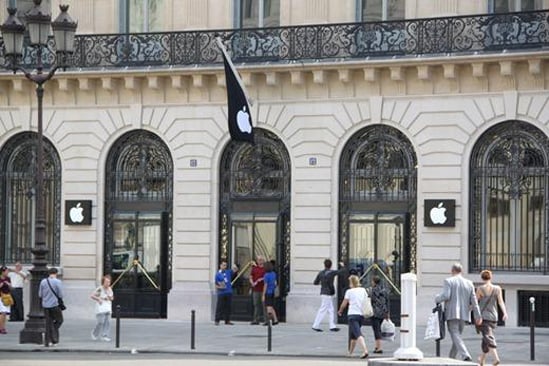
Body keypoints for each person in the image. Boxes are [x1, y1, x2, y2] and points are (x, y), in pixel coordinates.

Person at [435, 263, 482, 362]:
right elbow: (474, 301)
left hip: (452, 313)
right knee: (457, 336)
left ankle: (465, 355)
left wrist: (437, 298)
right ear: (461, 271)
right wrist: (478, 316)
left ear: (452, 271)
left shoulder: (448, 281)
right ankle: (451, 357)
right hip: (464, 314)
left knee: (455, 335)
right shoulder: (469, 283)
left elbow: (446, 296)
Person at [476, 270, 508, 366]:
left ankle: (496, 358)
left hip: (483, 317)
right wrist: (505, 313)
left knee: (488, 337)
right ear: (491, 277)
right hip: (494, 316)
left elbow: (476, 303)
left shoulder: (480, 289)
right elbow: (500, 302)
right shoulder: (497, 288)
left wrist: (467, 310)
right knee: (485, 337)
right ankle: (481, 360)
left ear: (482, 278)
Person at [337, 275, 369, 359]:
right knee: (353, 335)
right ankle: (350, 353)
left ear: (351, 282)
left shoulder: (349, 291)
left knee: (357, 333)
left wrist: (340, 310)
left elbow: (344, 303)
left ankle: (365, 350)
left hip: (352, 315)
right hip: (361, 315)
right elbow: (366, 300)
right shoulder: (363, 290)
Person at [312, 259, 344, 332]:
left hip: (323, 292)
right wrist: (342, 266)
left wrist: (322, 284)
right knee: (323, 309)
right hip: (328, 293)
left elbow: (315, 282)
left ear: (324, 265)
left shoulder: (321, 273)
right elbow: (341, 272)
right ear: (331, 265)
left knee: (331, 309)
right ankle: (315, 325)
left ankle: (332, 326)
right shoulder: (331, 272)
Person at [38, 267, 64, 347]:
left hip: (45, 305)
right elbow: (60, 295)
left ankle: (48, 341)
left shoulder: (43, 281)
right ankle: (54, 338)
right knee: (60, 320)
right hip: (55, 305)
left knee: (48, 323)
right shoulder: (58, 282)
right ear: (56, 273)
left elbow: (40, 294)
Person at [369, 275, 390, 354]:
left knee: (376, 330)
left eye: (372, 281)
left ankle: (379, 347)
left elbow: (371, 301)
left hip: (375, 312)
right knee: (379, 330)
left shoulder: (372, 290)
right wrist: (387, 313)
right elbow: (387, 302)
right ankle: (377, 346)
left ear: (374, 281)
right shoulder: (385, 290)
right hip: (383, 312)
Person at [90, 275, 114, 342]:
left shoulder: (110, 289)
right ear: (103, 282)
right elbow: (92, 296)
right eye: (106, 282)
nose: (108, 283)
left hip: (108, 307)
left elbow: (112, 298)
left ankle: (105, 335)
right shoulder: (100, 289)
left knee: (108, 322)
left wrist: (109, 297)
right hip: (100, 308)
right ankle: (95, 333)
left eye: (109, 282)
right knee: (100, 322)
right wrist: (98, 299)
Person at [214, 260, 238, 325]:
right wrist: (219, 287)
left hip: (228, 292)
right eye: (223, 265)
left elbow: (235, 271)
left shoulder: (228, 272)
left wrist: (235, 266)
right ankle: (217, 320)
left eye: (225, 265)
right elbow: (216, 284)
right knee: (220, 307)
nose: (225, 266)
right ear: (220, 265)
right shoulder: (218, 274)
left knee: (228, 307)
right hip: (221, 293)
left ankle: (227, 320)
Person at [249, 255, 265, 325]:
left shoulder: (265, 268)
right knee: (256, 305)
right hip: (256, 289)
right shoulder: (254, 268)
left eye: (261, 259)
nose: (260, 261)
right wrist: (252, 282)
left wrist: (262, 279)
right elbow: (250, 277)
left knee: (264, 305)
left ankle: (266, 320)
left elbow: (267, 277)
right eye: (258, 259)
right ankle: (256, 320)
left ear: (263, 260)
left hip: (264, 289)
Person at [262, 261, 278, 325]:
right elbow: (275, 283)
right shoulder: (274, 274)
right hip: (272, 292)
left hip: (268, 292)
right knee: (271, 307)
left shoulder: (266, 275)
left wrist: (263, 294)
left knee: (268, 308)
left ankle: (269, 321)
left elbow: (265, 285)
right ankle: (275, 320)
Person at [0, 266, 12, 334]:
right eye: (6, 271)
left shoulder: (8, 278)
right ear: (2, 272)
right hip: (1, 297)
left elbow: (11, 288)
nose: (7, 272)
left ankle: (3, 327)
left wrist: (9, 284)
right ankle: (1, 328)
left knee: (5, 314)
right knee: (3, 312)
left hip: (7, 297)